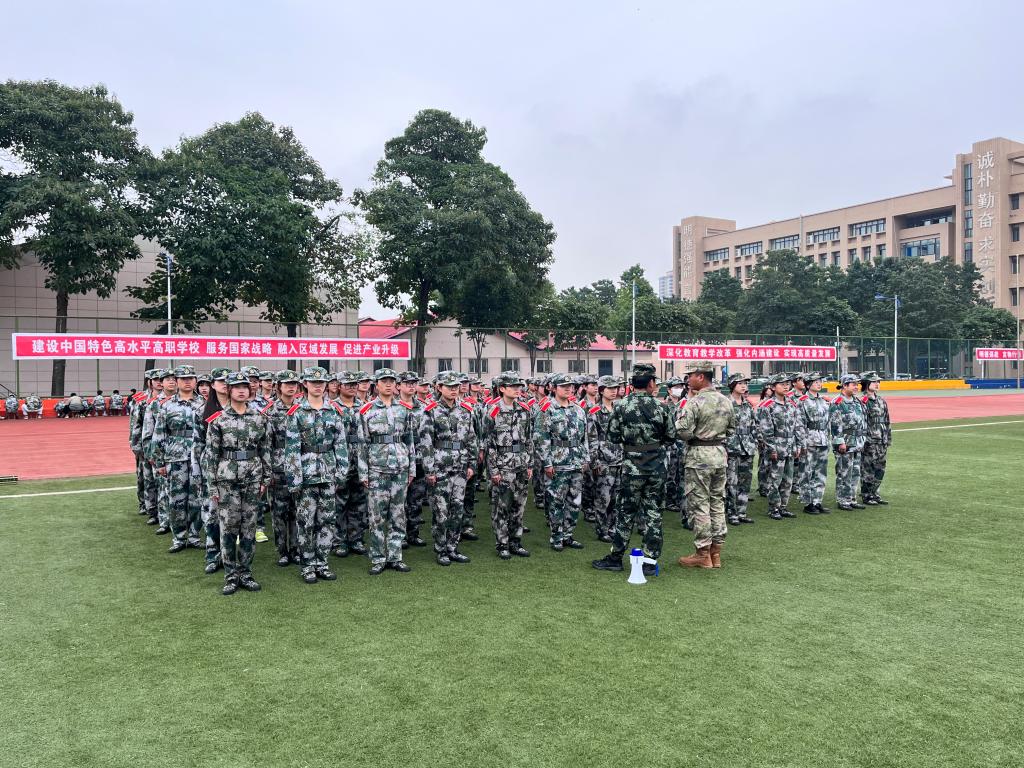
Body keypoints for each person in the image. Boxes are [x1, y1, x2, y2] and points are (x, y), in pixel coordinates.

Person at [592, 364, 676, 573]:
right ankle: (649, 561)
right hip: (656, 466)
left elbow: (612, 436)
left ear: (631, 384)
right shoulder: (662, 407)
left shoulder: (620, 406)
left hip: (631, 467)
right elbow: (671, 437)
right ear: (651, 383)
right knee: (653, 513)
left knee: (625, 512)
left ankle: (615, 558)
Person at [201, 371, 271, 595]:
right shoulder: (218, 420)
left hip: (253, 477)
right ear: (229, 390)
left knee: (249, 527)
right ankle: (231, 575)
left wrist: (266, 478)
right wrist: (212, 485)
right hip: (227, 479)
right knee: (229, 528)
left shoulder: (260, 418)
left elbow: (265, 450)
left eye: (245, 387)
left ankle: (246, 573)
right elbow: (211, 455)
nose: (242, 390)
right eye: (237, 387)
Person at [284, 366, 349, 584]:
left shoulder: (334, 411)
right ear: (305, 384)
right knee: (306, 522)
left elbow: (340, 444)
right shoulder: (296, 412)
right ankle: (307, 565)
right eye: (313, 382)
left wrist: (341, 472)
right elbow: (292, 449)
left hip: (328, 474)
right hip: (306, 475)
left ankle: (322, 563)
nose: (318, 386)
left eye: (321, 382)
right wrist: (295, 479)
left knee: (327, 521)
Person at [675, 360, 735, 569]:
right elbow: (731, 430)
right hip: (719, 454)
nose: (688, 379)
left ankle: (702, 553)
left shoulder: (695, 402)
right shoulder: (726, 400)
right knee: (717, 503)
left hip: (699, 456)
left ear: (701, 376)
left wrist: (696, 436)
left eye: (690, 375)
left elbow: (682, 430)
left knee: (700, 504)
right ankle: (715, 553)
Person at [359, 368, 416, 575]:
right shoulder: (366, 411)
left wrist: (412, 468)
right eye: (384, 381)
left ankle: (395, 556)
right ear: (377, 385)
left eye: (392, 381)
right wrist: (363, 472)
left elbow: (409, 440)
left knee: (398, 514)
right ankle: (378, 557)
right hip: (377, 469)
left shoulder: (404, 410)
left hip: (400, 468)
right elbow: (362, 444)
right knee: (376, 517)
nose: (389, 384)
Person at [420, 371, 479, 564]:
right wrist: (429, 470)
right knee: (441, 511)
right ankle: (441, 549)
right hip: (440, 468)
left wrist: (471, 464)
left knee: (457, 509)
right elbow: (426, 443)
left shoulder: (466, 410)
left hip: (460, 467)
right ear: (439, 387)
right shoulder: (431, 410)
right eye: (449, 386)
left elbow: (471, 439)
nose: (454, 390)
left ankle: (453, 547)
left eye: (456, 386)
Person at [150, 365, 206, 553]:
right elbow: (159, 434)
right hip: (175, 458)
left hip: (198, 458)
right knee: (177, 499)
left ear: (195, 381)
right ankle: (179, 537)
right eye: (183, 379)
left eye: (191, 378)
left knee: (197, 499)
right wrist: (159, 462)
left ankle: (195, 535)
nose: (187, 381)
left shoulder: (204, 404)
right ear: (177, 381)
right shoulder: (167, 405)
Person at [480, 372, 534, 560]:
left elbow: (529, 439)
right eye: (513, 386)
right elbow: (489, 443)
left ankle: (516, 542)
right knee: (501, 507)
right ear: (502, 388)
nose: (517, 389)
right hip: (503, 466)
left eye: (519, 386)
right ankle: (502, 544)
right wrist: (493, 470)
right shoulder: (493, 410)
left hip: (521, 464)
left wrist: (530, 464)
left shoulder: (524, 410)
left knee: (519, 506)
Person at [536, 372, 589, 551]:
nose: (568, 389)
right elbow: (541, 438)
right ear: (553, 388)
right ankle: (556, 536)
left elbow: (584, 437)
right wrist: (547, 463)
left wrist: (585, 458)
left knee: (574, 501)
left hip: (576, 460)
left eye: (570, 386)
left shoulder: (578, 410)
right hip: (558, 461)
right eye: (563, 386)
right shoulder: (547, 409)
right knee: (556, 501)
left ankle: (568, 535)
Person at [195, 368, 232, 573]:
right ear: (213, 385)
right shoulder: (203, 410)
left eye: (228, 380)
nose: (225, 384)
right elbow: (198, 443)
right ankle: (212, 554)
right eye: (220, 381)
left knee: (232, 514)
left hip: (235, 469)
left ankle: (229, 555)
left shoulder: (241, 407)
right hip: (211, 467)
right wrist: (197, 469)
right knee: (212, 512)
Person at [264, 369, 301, 567]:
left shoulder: (302, 408)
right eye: (287, 384)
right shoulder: (270, 411)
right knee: (279, 512)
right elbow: (265, 444)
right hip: (278, 467)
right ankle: (282, 550)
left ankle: (295, 549)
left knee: (297, 511)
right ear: (278, 387)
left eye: (294, 384)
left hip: (299, 467)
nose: (291, 387)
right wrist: (268, 470)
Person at [332, 371, 368, 558]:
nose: (352, 387)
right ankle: (339, 541)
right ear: (339, 386)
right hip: (340, 461)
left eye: (355, 384)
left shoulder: (364, 406)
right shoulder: (332, 407)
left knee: (359, 502)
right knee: (339, 503)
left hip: (360, 461)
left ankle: (356, 538)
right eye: (348, 384)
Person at [757, 373, 802, 520]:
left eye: (787, 384)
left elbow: (797, 426)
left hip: (789, 446)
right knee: (774, 479)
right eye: (781, 384)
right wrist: (771, 448)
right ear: (773, 387)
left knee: (788, 479)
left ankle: (783, 506)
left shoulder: (792, 404)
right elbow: (766, 430)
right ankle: (774, 508)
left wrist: (798, 445)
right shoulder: (767, 406)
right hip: (776, 447)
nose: (785, 386)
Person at [588, 375, 623, 542]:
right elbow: (592, 439)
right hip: (604, 461)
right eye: (610, 388)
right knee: (603, 498)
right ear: (602, 391)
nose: (614, 391)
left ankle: (613, 528)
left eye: (615, 388)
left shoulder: (620, 409)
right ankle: (602, 529)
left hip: (620, 459)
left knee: (617, 498)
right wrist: (595, 462)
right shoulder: (594, 412)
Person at [398, 371, 429, 548]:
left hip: (419, 459)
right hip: (400, 460)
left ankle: (413, 533)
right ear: (399, 386)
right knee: (400, 500)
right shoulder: (394, 406)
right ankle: (400, 535)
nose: (411, 386)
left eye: (413, 383)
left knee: (416, 499)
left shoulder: (424, 407)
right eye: (407, 383)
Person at [143, 370, 177, 534]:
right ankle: (164, 521)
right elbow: (148, 432)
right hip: (161, 451)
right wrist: (152, 455)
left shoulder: (188, 401)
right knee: (163, 488)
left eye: (174, 379)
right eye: (167, 379)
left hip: (181, 450)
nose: (171, 382)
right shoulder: (154, 403)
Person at [829, 374, 867, 510]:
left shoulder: (857, 402)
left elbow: (862, 421)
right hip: (845, 442)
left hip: (857, 442)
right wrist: (840, 442)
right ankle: (842, 500)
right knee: (844, 472)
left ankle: (851, 499)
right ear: (845, 386)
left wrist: (863, 439)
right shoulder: (838, 402)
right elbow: (835, 424)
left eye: (857, 384)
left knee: (855, 472)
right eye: (853, 384)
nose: (857, 387)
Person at [796, 372, 831, 515]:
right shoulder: (802, 401)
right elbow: (799, 424)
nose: (819, 384)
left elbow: (827, 422)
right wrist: (802, 443)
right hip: (809, 440)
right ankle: (808, 502)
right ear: (808, 384)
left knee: (821, 473)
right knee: (807, 472)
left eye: (820, 381)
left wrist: (828, 438)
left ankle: (817, 501)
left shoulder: (823, 401)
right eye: (816, 381)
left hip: (822, 439)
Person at [725, 373, 757, 526]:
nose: (744, 386)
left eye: (745, 383)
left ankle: (742, 512)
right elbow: (721, 427)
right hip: (732, 447)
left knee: (745, 481)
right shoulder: (726, 404)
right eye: (740, 383)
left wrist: (754, 442)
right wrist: (724, 447)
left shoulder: (747, 405)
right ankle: (732, 513)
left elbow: (753, 426)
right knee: (731, 482)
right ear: (732, 385)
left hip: (747, 447)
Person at [858, 371, 892, 506]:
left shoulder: (881, 400)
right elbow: (861, 423)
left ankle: (875, 493)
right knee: (868, 469)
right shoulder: (862, 401)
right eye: (874, 382)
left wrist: (888, 438)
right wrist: (863, 441)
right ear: (866, 383)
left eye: (878, 382)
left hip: (881, 440)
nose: (877, 384)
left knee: (880, 468)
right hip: (869, 441)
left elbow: (887, 420)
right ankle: (866, 495)